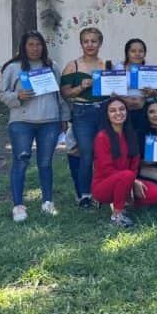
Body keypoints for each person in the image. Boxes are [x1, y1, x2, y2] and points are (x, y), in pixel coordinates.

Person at [0, 30, 69, 222]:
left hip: (50, 122)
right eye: (31, 44)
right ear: (24, 46)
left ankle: (47, 201)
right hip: (21, 122)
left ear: (43, 47)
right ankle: (18, 206)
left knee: (45, 163)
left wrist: (64, 117)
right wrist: (17, 97)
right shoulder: (13, 68)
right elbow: (2, 93)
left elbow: (60, 94)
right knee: (20, 162)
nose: (35, 48)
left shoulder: (52, 66)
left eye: (38, 44)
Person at [91, 97, 157, 228]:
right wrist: (132, 180)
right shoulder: (102, 137)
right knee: (126, 175)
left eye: (121, 109)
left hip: (128, 181)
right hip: (104, 186)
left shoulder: (131, 134)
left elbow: (135, 164)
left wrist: (131, 182)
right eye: (113, 111)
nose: (118, 113)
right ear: (107, 115)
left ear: (127, 112)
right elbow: (105, 168)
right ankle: (116, 216)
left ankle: (123, 202)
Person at [60, 27, 109, 208]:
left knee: (104, 154)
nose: (90, 45)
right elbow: (65, 94)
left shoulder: (106, 65)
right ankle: (84, 195)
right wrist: (80, 87)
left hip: (104, 111)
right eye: (86, 41)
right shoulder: (73, 65)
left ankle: (102, 192)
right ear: (81, 43)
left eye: (93, 41)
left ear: (100, 43)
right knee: (86, 154)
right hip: (82, 112)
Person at [119, 38, 157, 133]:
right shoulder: (118, 68)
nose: (137, 54)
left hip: (143, 111)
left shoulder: (149, 70)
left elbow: (155, 93)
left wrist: (151, 93)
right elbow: (110, 92)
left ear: (144, 54)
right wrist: (125, 100)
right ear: (127, 53)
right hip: (122, 111)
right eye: (133, 51)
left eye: (141, 51)